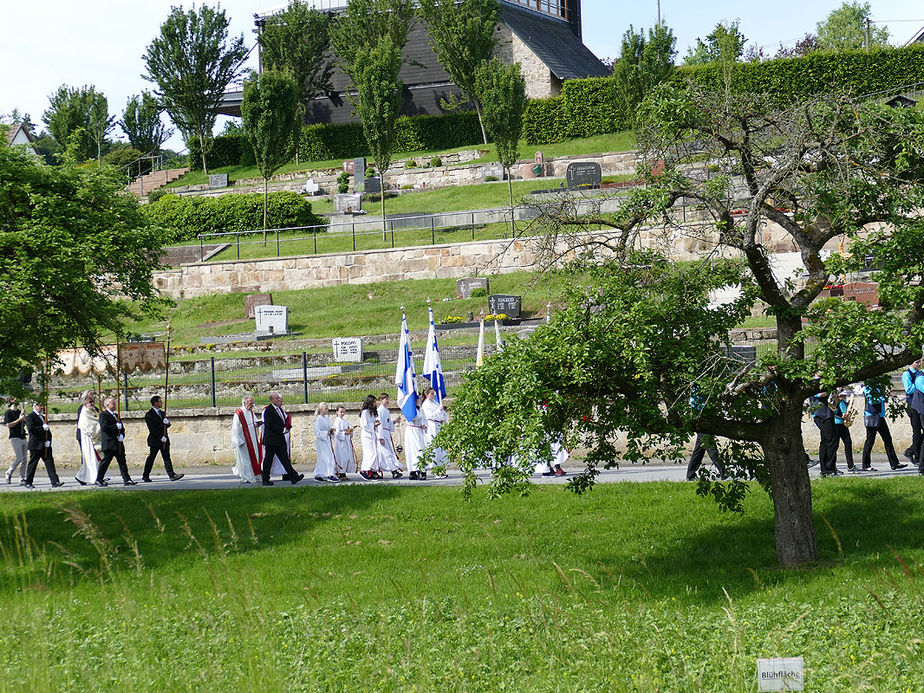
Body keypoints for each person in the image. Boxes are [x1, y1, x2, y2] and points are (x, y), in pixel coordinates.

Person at [861, 382, 907, 472]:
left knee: (887, 439)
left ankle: (894, 463)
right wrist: (883, 397)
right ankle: (865, 465)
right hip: (872, 416)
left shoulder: (879, 386)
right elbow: (871, 401)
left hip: (880, 416)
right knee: (870, 440)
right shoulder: (868, 387)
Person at [261, 392, 303, 486]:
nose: (279, 399)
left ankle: (293, 476)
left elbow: (282, 421)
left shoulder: (279, 409)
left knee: (284, 458)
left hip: (279, 439)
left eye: (279, 398)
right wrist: (283, 429)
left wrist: (287, 425)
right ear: (271, 400)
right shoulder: (269, 410)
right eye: (276, 398)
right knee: (268, 459)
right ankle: (265, 479)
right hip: (271, 440)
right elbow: (270, 425)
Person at [96, 397, 136, 487]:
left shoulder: (116, 415)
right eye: (112, 403)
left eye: (114, 403)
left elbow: (122, 428)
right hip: (110, 443)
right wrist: (115, 427)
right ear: (107, 405)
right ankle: (99, 479)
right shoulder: (103, 415)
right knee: (106, 462)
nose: (114, 405)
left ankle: (127, 479)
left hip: (118, 442)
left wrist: (122, 435)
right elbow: (104, 427)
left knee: (122, 461)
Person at [142, 395, 183, 482]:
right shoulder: (149, 414)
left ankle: (172, 475)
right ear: (155, 403)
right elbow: (152, 429)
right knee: (152, 457)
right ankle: (145, 475)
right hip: (155, 440)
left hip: (165, 438)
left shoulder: (162, 413)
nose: (161, 403)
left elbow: (168, 425)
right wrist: (161, 437)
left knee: (166, 457)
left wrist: (167, 422)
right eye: (160, 401)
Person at [23, 401, 63, 489]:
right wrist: (42, 428)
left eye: (42, 406)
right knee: (33, 464)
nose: (42, 407)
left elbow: (48, 431)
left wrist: (48, 441)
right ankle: (28, 482)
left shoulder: (43, 417)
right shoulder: (31, 417)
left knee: (49, 463)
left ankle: (55, 481)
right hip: (36, 445)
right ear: (35, 406)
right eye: (40, 406)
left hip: (45, 445)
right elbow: (31, 429)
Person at [231, 395, 261, 483]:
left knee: (255, 458)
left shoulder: (251, 412)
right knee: (245, 460)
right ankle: (247, 477)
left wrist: (257, 424)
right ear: (245, 403)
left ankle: (254, 476)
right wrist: (237, 441)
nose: (252, 406)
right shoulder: (239, 413)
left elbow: (254, 422)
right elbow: (235, 428)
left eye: (253, 404)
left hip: (253, 439)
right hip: (243, 440)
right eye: (250, 403)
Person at [75, 392, 102, 485]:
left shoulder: (95, 410)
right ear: (85, 403)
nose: (92, 404)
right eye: (90, 402)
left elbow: (99, 419)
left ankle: (82, 476)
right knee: (90, 457)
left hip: (96, 437)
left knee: (96, 458)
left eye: (93, 401)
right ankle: (94, 477)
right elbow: (88, 425)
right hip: (88, 437)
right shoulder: (84, 412)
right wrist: (99, 426)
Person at [811, 391, 839, 477]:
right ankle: (829, 468)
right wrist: (830, 390)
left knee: (826, 441)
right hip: (821, 415)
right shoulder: (815, 382)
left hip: (828, 414)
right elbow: (819, 394)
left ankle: (826, 469)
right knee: (831, 440)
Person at [421, 387, 448, 476]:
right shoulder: (426, 405)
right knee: (434, 449)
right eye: (431, 393)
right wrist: (438, 410)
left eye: (434, 393)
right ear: (427, 394)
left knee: (441, 449)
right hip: (432, 426)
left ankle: (441, 467)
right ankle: (436, 470)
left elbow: (442, 413)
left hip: (439, 426)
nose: (433, 395)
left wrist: (443, 414)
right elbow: (430, 415)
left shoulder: (435, 403)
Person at [377, 393, 403, 478]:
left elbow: (387, 423)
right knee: (385, 453)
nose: (388, 401)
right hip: (382, 434)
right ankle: (393, 471)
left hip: (386, 433)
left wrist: (394, 422)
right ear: (381, 400)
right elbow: (379, 424)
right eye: (386, 399)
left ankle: (394, 470)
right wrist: (380, 437)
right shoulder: (379, 410)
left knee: (390, 452)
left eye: (388, 399)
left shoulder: (387, 411)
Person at [901, 359, 921, 466]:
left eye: (920, 361)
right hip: (912, 405)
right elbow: (908, 390)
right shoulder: (907, 374)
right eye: (916, 362)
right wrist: (918, 383)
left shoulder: (919, 373)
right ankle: (916, 456)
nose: (919, 364)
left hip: (919, 404)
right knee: (917, 431)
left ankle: (911, 451)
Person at [312, 403, 339, 482]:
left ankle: (319, 474)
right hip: (322, 441)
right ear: (321, 410)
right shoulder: (318, 419)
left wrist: (331, 432)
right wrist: (326, 433)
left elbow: (329, 428)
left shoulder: (327, 419)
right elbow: (317, 432)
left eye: (327, 408)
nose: (327, 410)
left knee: (325, 458)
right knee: (327, 457)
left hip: (327, 440)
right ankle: (330, 474)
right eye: (325, 408)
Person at [358, 394, 382, 480]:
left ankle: (370, 471)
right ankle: (364, 469)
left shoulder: (372, 412)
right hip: (367, 435)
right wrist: (373, 424)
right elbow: (364, 425)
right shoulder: (365, 412)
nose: (375, 404)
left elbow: (373, 422)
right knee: (370, 453)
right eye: (374, 402)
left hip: (372, 434)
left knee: (374, 452)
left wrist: (376, 423)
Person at [4, 397, 27, 485]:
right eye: (14, 399)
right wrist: (19, 419)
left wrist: (24, 417)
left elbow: (24, 423)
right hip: (15, 437)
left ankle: (22, 478)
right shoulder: (8, 413)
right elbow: (9, 425)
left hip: (23, 436)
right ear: (11, 401)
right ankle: (9, 472)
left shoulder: (19, 412)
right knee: (19, 457)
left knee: (25, 459)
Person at [405, 396, 428, 481]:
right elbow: (413, 417)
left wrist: (424, 425)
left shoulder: (421, 409)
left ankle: (422, 470)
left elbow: (424, 419)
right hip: (411, 431)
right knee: (411, 451)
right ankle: (412, 471)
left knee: (420, 450)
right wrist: (417, 407)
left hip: (418, 431)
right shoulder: (409, 409)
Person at [833, 390, 857, 473]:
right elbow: (833, 412)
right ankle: (833, 466)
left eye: (844, 396)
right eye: (842, 395)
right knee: (835, 446)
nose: (844, 397)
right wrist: (842, 416)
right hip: (836, 425)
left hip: (843, 425)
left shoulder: (843, 402)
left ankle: (850, 465)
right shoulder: (835, 403)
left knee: (848, 443)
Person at [332, 406, 356, 480]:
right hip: (340, 443)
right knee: (341, 457)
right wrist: (344, 433)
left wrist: (350, 431)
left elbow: (348, 428)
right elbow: (336, 432)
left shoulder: (345, 421)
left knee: (346, 457)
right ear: (337, 412)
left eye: (343, 412)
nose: (342, 413)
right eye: (341, 412)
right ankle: (340, 473)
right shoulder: (337, 421)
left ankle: (343, 473)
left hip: (346, 442)